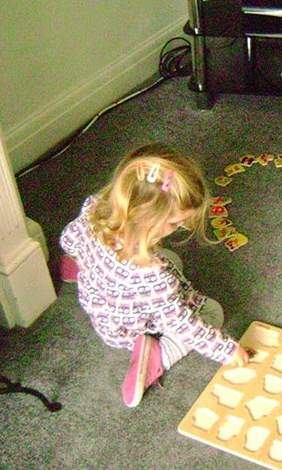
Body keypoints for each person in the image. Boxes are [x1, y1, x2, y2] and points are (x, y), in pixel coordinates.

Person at [60, 143, 249, 407]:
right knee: (212, 312)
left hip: (99, 299)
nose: (181, 226)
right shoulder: (152, 276)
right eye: (174, 223)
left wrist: (92, 265)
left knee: (171, 259)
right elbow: (182, 324)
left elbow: (69, 239)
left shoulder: (95, 207)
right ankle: (157, 355)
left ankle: (80, 270)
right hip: (124, 329)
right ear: (147, 218)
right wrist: (226, 350)